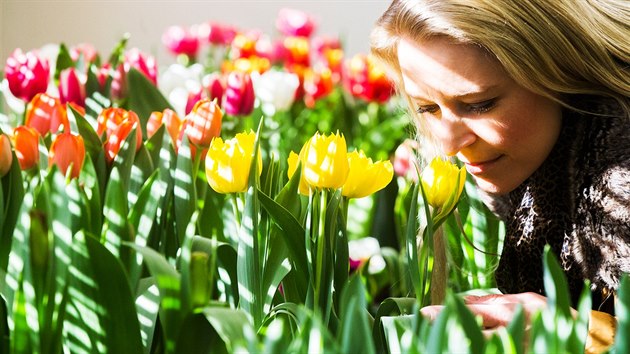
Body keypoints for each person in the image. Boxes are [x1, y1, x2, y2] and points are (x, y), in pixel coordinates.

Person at [370, 0, 629, 351]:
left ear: (559, 71)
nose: (448, 145)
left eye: (479, 104)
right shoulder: (538, 194)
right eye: (428, 108)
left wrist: (584, 334)